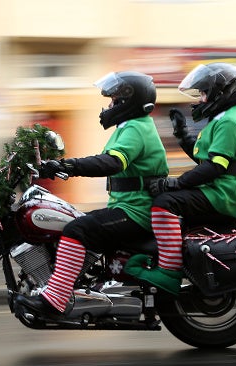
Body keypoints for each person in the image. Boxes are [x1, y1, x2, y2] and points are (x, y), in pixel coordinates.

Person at [16, 70, 169, 315]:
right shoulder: (131, 127)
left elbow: (111, 162)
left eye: (114, 100)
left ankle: (55, 300)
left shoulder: (137, 128)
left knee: (77, 229)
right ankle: (76, 283)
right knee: (75, 220)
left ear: (128, 101)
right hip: (127, 208)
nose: (109, 105)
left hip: (136, 212)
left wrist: (67, 165)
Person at [125, 62, 236, 295]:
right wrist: (182, 134)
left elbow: (215, 167)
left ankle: (168, 271)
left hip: (223, 195)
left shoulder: (230, 122)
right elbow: (207, 160)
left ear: (221, 93)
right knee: (168, 200)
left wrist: (175, 182)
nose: (201, 99)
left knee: (165, 203)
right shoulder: (228, 116)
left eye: (205, 93)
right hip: (221, 189)